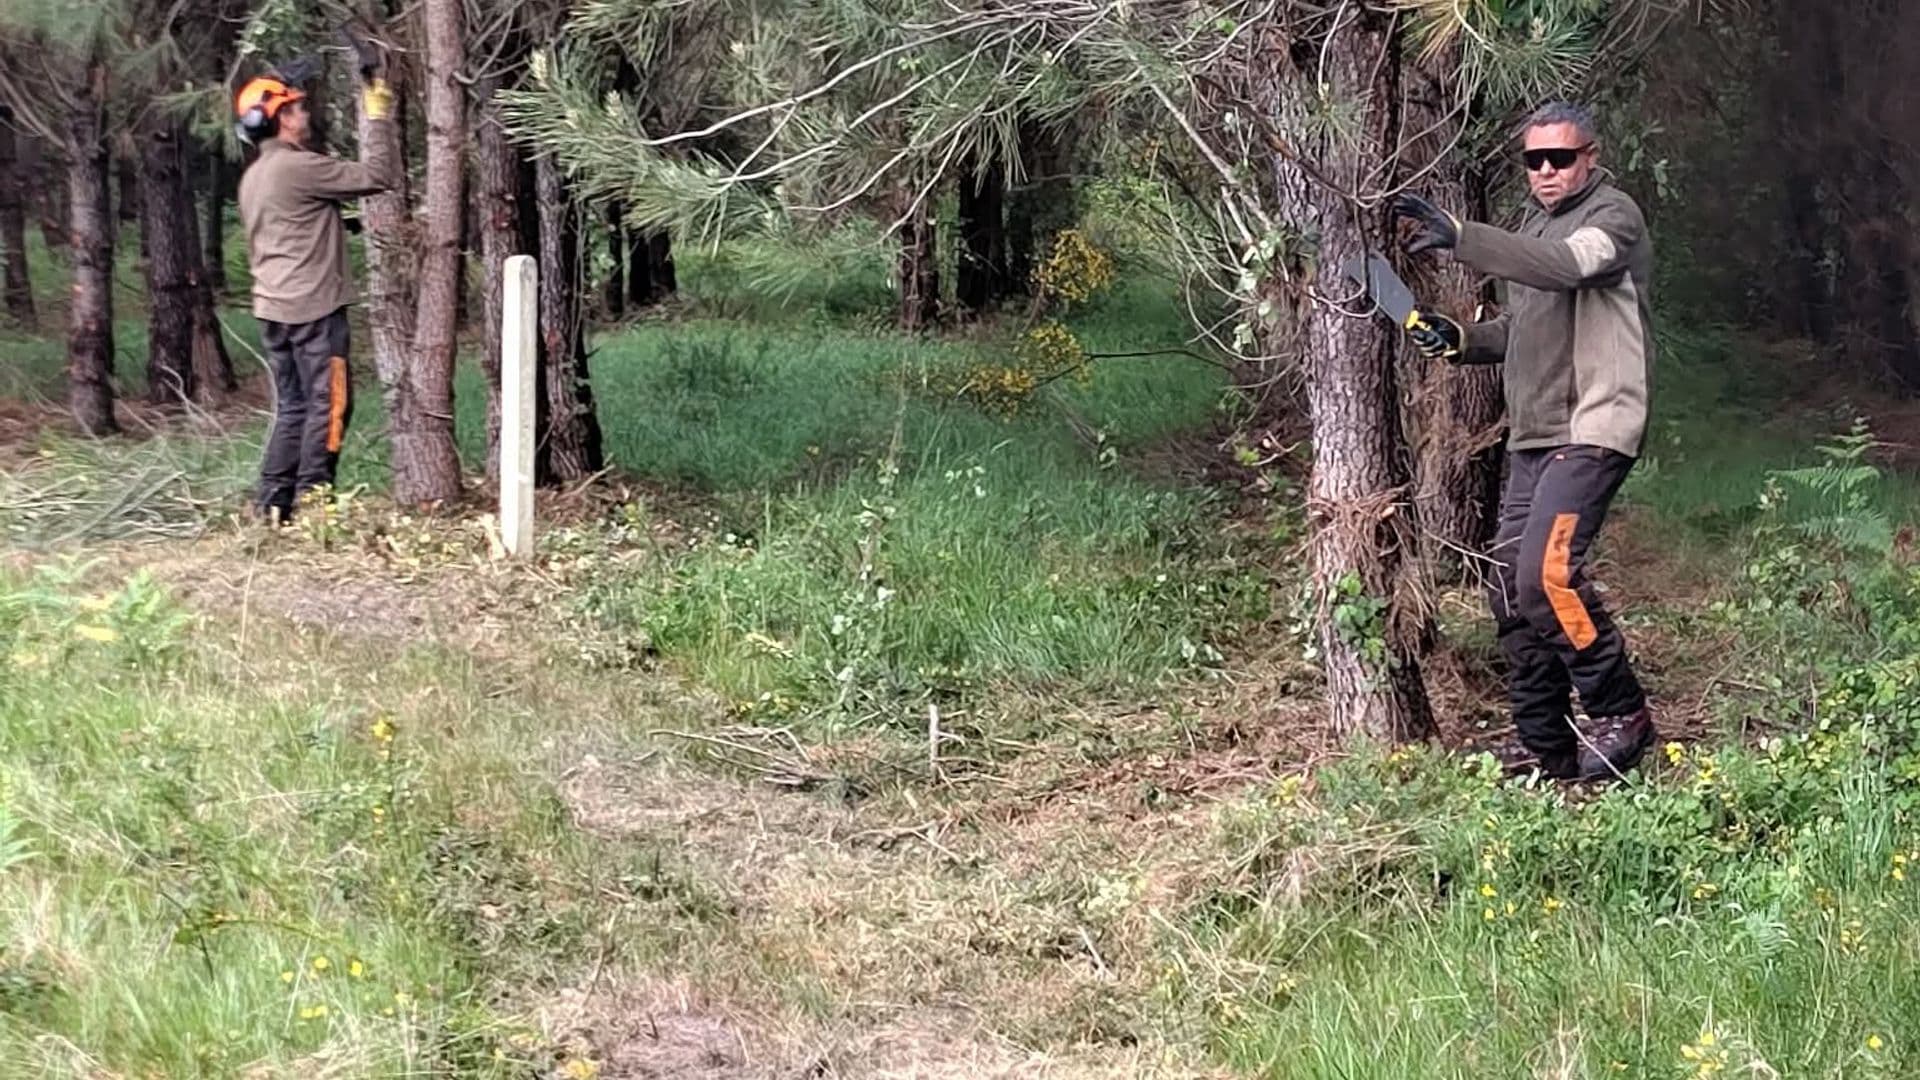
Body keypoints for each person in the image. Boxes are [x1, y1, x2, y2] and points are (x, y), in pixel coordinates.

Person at [1390, 101, 1657, 782]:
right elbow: (1523, 326)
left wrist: (1462, 236)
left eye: (1560, 158)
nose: (1545, 171)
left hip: (1595, 425)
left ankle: (1621, 713)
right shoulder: (1533, 229)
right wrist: (1462, 339)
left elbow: (1568, 268)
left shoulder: (1612, 218)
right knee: (1511, 588)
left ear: (1590, 158)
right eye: (1533, 160)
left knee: (1547, 576)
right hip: (1534, 436)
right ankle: (1547, 745)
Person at [234, 67, 398, 523]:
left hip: (273, 310)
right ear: (281, 118)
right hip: (314, 311)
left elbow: (293, 227)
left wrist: (343, 227)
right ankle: (314, 505)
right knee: (331, 406)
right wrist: (377, 111)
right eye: (297, 107)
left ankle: (272, 505)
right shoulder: (299, 167)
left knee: (293, 407)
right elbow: (379, 175)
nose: (305, 113)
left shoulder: (256, 176)